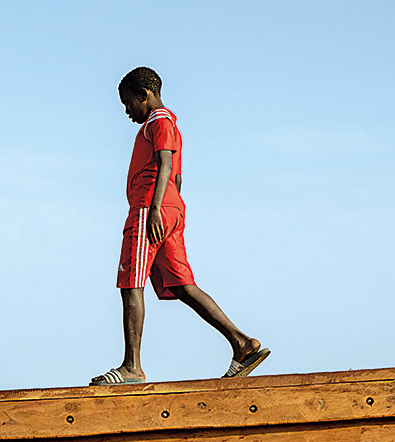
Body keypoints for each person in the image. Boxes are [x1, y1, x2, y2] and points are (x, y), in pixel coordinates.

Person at [90, 67, 268, 386]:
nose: (128, 111)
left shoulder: (158, 120)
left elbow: (165, 165)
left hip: (150, 209)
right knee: (183, 285)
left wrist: (155, 209)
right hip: (171, 211)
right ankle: (242, 344)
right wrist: (170, 210)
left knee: (131, 283)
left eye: (129, 103)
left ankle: (132, 367)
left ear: (144, 95)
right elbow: (179, 178)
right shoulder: (170, 124)